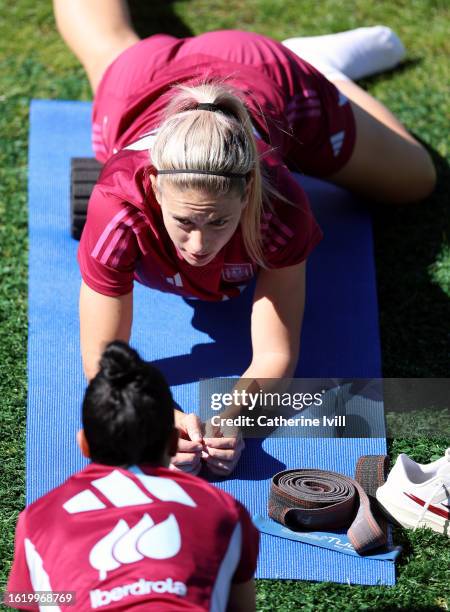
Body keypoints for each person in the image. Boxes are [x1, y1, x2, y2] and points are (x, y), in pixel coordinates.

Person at [53, 1, 437, 476]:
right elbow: (101, 358)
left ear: (250, 192)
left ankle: (326, 72)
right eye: (184, 222)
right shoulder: (118, 205)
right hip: (144, 80)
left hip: (266, 74)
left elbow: (276, 352)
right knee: (107, 45)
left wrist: (233, 420)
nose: (197, 245)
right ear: (152, 187)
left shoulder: (280, 206)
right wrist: (161, 420)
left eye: (218, 222)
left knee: (417, 181)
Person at [6, 342, 259, 612]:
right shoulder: (224, 512)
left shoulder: (38, 519)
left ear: (84, 445)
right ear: (173, 443)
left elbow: (28, 602)